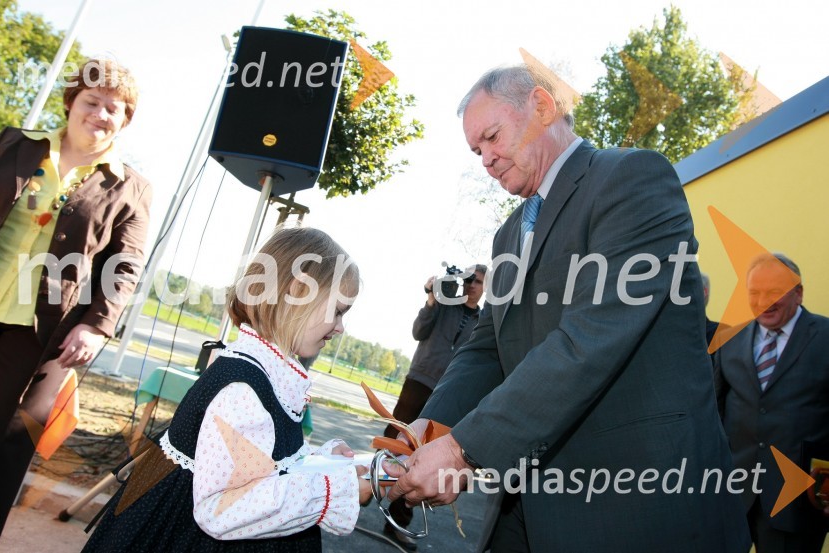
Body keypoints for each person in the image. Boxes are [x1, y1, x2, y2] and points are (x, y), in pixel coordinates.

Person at [385, 65, 749, 552]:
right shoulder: (509, 232)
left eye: (492, 138)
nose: (486, 160)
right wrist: (423, 432)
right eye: (477, 151)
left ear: (541, 106)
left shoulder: (633, 179)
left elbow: (589, 341)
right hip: (531, 502)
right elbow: (486, 347)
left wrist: (462, 449)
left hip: (639, 502)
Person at [83, 226, 373, 552]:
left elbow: (267, 461)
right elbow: (225, 506)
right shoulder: (243, 391)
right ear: (296, 294)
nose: (340, 328)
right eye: (338, 311)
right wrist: (332, 492)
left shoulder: (270, 375)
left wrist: (321, 462)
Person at [0, 58, 152, 535]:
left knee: (10, 440)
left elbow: (124, 265)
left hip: (41, 333)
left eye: (114, 108)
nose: (100, 114)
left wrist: (97, 324)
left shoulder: (131, 187)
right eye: (92, 102)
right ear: (71, 104)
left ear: (125, 120)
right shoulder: (13, 144)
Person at [714, 253, 829, 552]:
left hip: (799, 501)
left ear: (799, 293)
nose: (765, 301)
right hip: (735, 496)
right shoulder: (729, 338)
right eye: (755, 293)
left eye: (775, 292)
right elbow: (715, 411)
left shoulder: (825, 337)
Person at [382, 264, 485, 550]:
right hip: (420, 379)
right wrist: (431, 298)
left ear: (485, 286)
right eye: (468, 280)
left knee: (422, 455)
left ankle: (398, 520)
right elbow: (418, 331)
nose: (472, 285)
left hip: (448, 395)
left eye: (478, 281)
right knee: (393, 439)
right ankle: (354, 491)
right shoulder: (444, 302)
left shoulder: (485, 320)